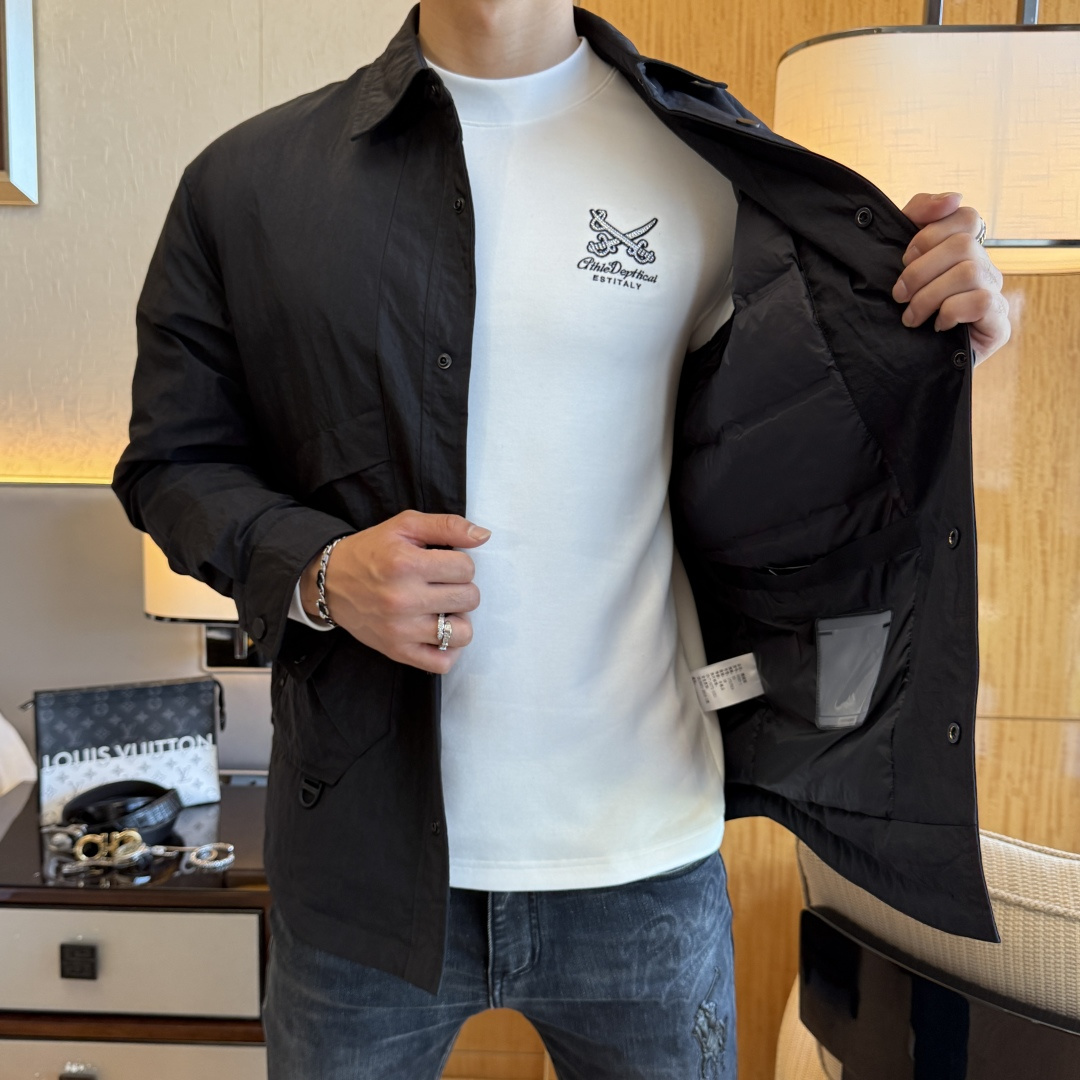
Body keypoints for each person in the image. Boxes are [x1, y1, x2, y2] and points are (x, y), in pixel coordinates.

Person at [113, 1, 1011, 1076]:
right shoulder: (247, 186)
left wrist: (932, 338)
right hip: (359, 864)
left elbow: (803, 434)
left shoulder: (714, 165)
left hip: (645, 857)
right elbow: (170, 462)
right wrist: (316, 569)